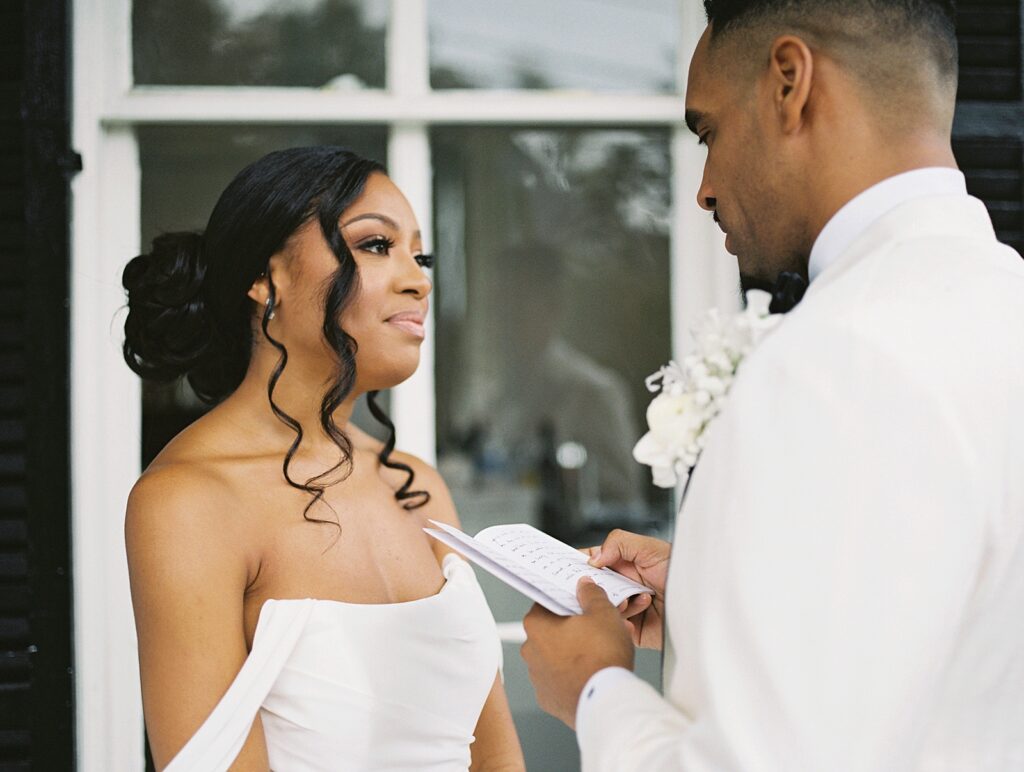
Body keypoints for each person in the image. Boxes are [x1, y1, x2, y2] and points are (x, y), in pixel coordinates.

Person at [520, 1, 1024, 770]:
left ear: (789, 83)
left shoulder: (837, 356)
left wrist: (595, 690)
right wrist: (710, 594)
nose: (704, 188)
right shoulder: (1003, 304)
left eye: (709, 133)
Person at [122, 147, 525, 771]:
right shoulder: (189, 502)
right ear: (266, 278)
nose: (419, 280)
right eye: (375, 245)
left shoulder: (416, 488)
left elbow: (495, 754)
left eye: (420, 256)